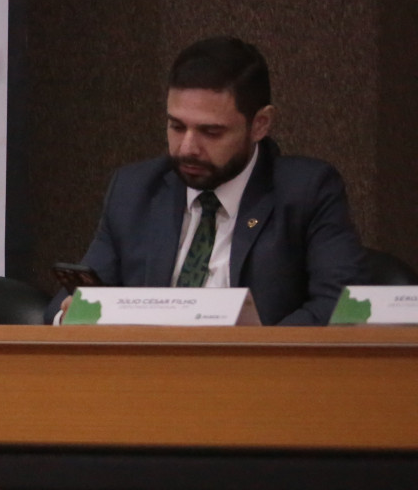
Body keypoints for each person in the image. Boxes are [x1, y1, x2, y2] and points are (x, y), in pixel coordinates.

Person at [66, 36, 365, 325]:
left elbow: (338, 307)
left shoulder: (306, 191)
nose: (187, 148)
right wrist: (71, 315)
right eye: (176, 127)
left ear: (260, 124)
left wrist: (259, 354)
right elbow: (73, 299)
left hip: (257, 373)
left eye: (211, 132)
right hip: (148, 373)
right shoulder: (135, 189)